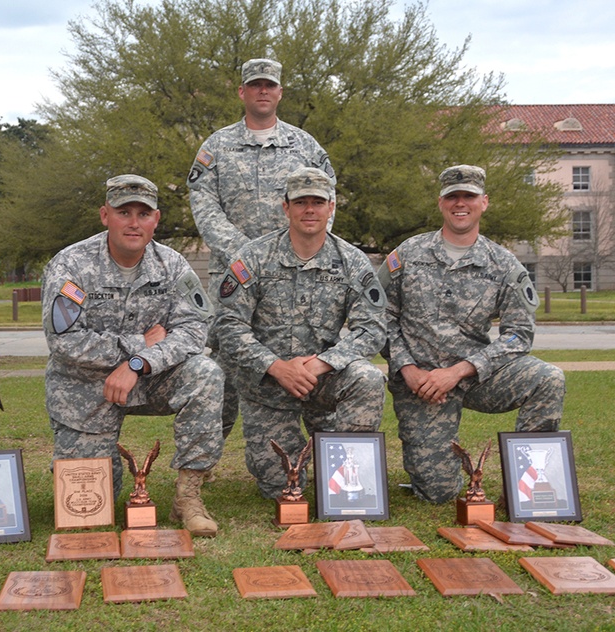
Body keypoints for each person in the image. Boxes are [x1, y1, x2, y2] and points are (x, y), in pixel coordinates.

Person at [41, 174, 223, 536]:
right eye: (124, 212)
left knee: (206, 373)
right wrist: (141, 343)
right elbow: (65, 341)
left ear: (156, 219)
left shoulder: (172, 266)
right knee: (90, 510)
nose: (134, 222)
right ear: (105, 215)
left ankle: (188, 497)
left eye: (144, 213)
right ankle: (81, 457)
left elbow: (194, 330)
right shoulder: (71, 264)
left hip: (150, 377)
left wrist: (138, 363)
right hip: (85, 387)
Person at [380, 164, 566, 504]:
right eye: (453, 197)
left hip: (475, 376)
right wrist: (408, 369)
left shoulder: (503, 263)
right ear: (441, 203)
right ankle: (431, 476)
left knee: (548, 378)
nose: (460, 204)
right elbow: (381, 318)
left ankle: (532, 488)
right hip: (420, 384)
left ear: (484, 202)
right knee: (438, 494)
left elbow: (519, 335)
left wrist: (460, 371)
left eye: (469, 196)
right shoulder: (407, 254)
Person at [214, 167, 387, 500]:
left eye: (318, 202)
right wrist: (277, 367)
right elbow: (228, 327)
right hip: (267, 384)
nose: (310, 210)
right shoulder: (253, 258)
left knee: (366, 378)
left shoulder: (352, 261)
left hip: (322, 380)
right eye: (301, 202)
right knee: (282, 487)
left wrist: (322, 363)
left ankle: (344, 481)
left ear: (331, 207)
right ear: (286, 207)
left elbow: (372, 328)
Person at [187, 58, 336, 440]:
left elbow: (324, 206)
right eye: (255, 85)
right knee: (224, 359)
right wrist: (244, 252)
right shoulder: (216, 146)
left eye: (269, 85)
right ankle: (205, 458)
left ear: (280, 92)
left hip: (293, 276)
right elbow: (203, 203)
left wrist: (297, 251)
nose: (263, 91)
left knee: (299, 352)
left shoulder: (305, 146)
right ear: (243, 92)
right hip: (232, 275)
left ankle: (321, 449)